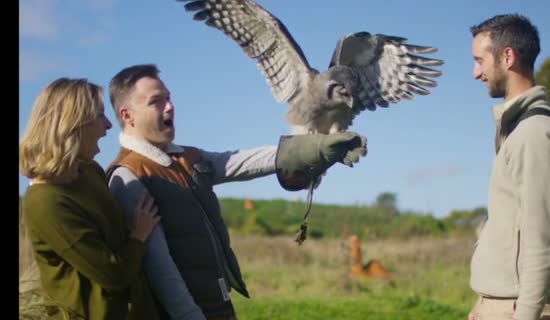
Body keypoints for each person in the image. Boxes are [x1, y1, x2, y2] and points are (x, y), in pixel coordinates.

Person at [105, 64, 368, 320]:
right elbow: (160, 270)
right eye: (156, 102)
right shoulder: (129, 176)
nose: (170, 106)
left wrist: (317, 148)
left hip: (217, 305)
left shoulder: (187, 157)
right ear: (127, 116)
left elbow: (240, 161)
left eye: (169, 98)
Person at [19, 78, 162, 320]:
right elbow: (112, 274)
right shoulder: (45, 202)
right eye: (99, 116)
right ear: (73, 124)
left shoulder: (90, 171)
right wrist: (139, 235)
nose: (108, 126)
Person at [467, 14, 550, 320]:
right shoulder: (520, 131)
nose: (476, 73)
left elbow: (543, 242)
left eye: (480, 60)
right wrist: (484, 305)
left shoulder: (535, 134)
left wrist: (522, 313)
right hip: (504, 306)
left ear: (507, 57)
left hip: (521, 308)